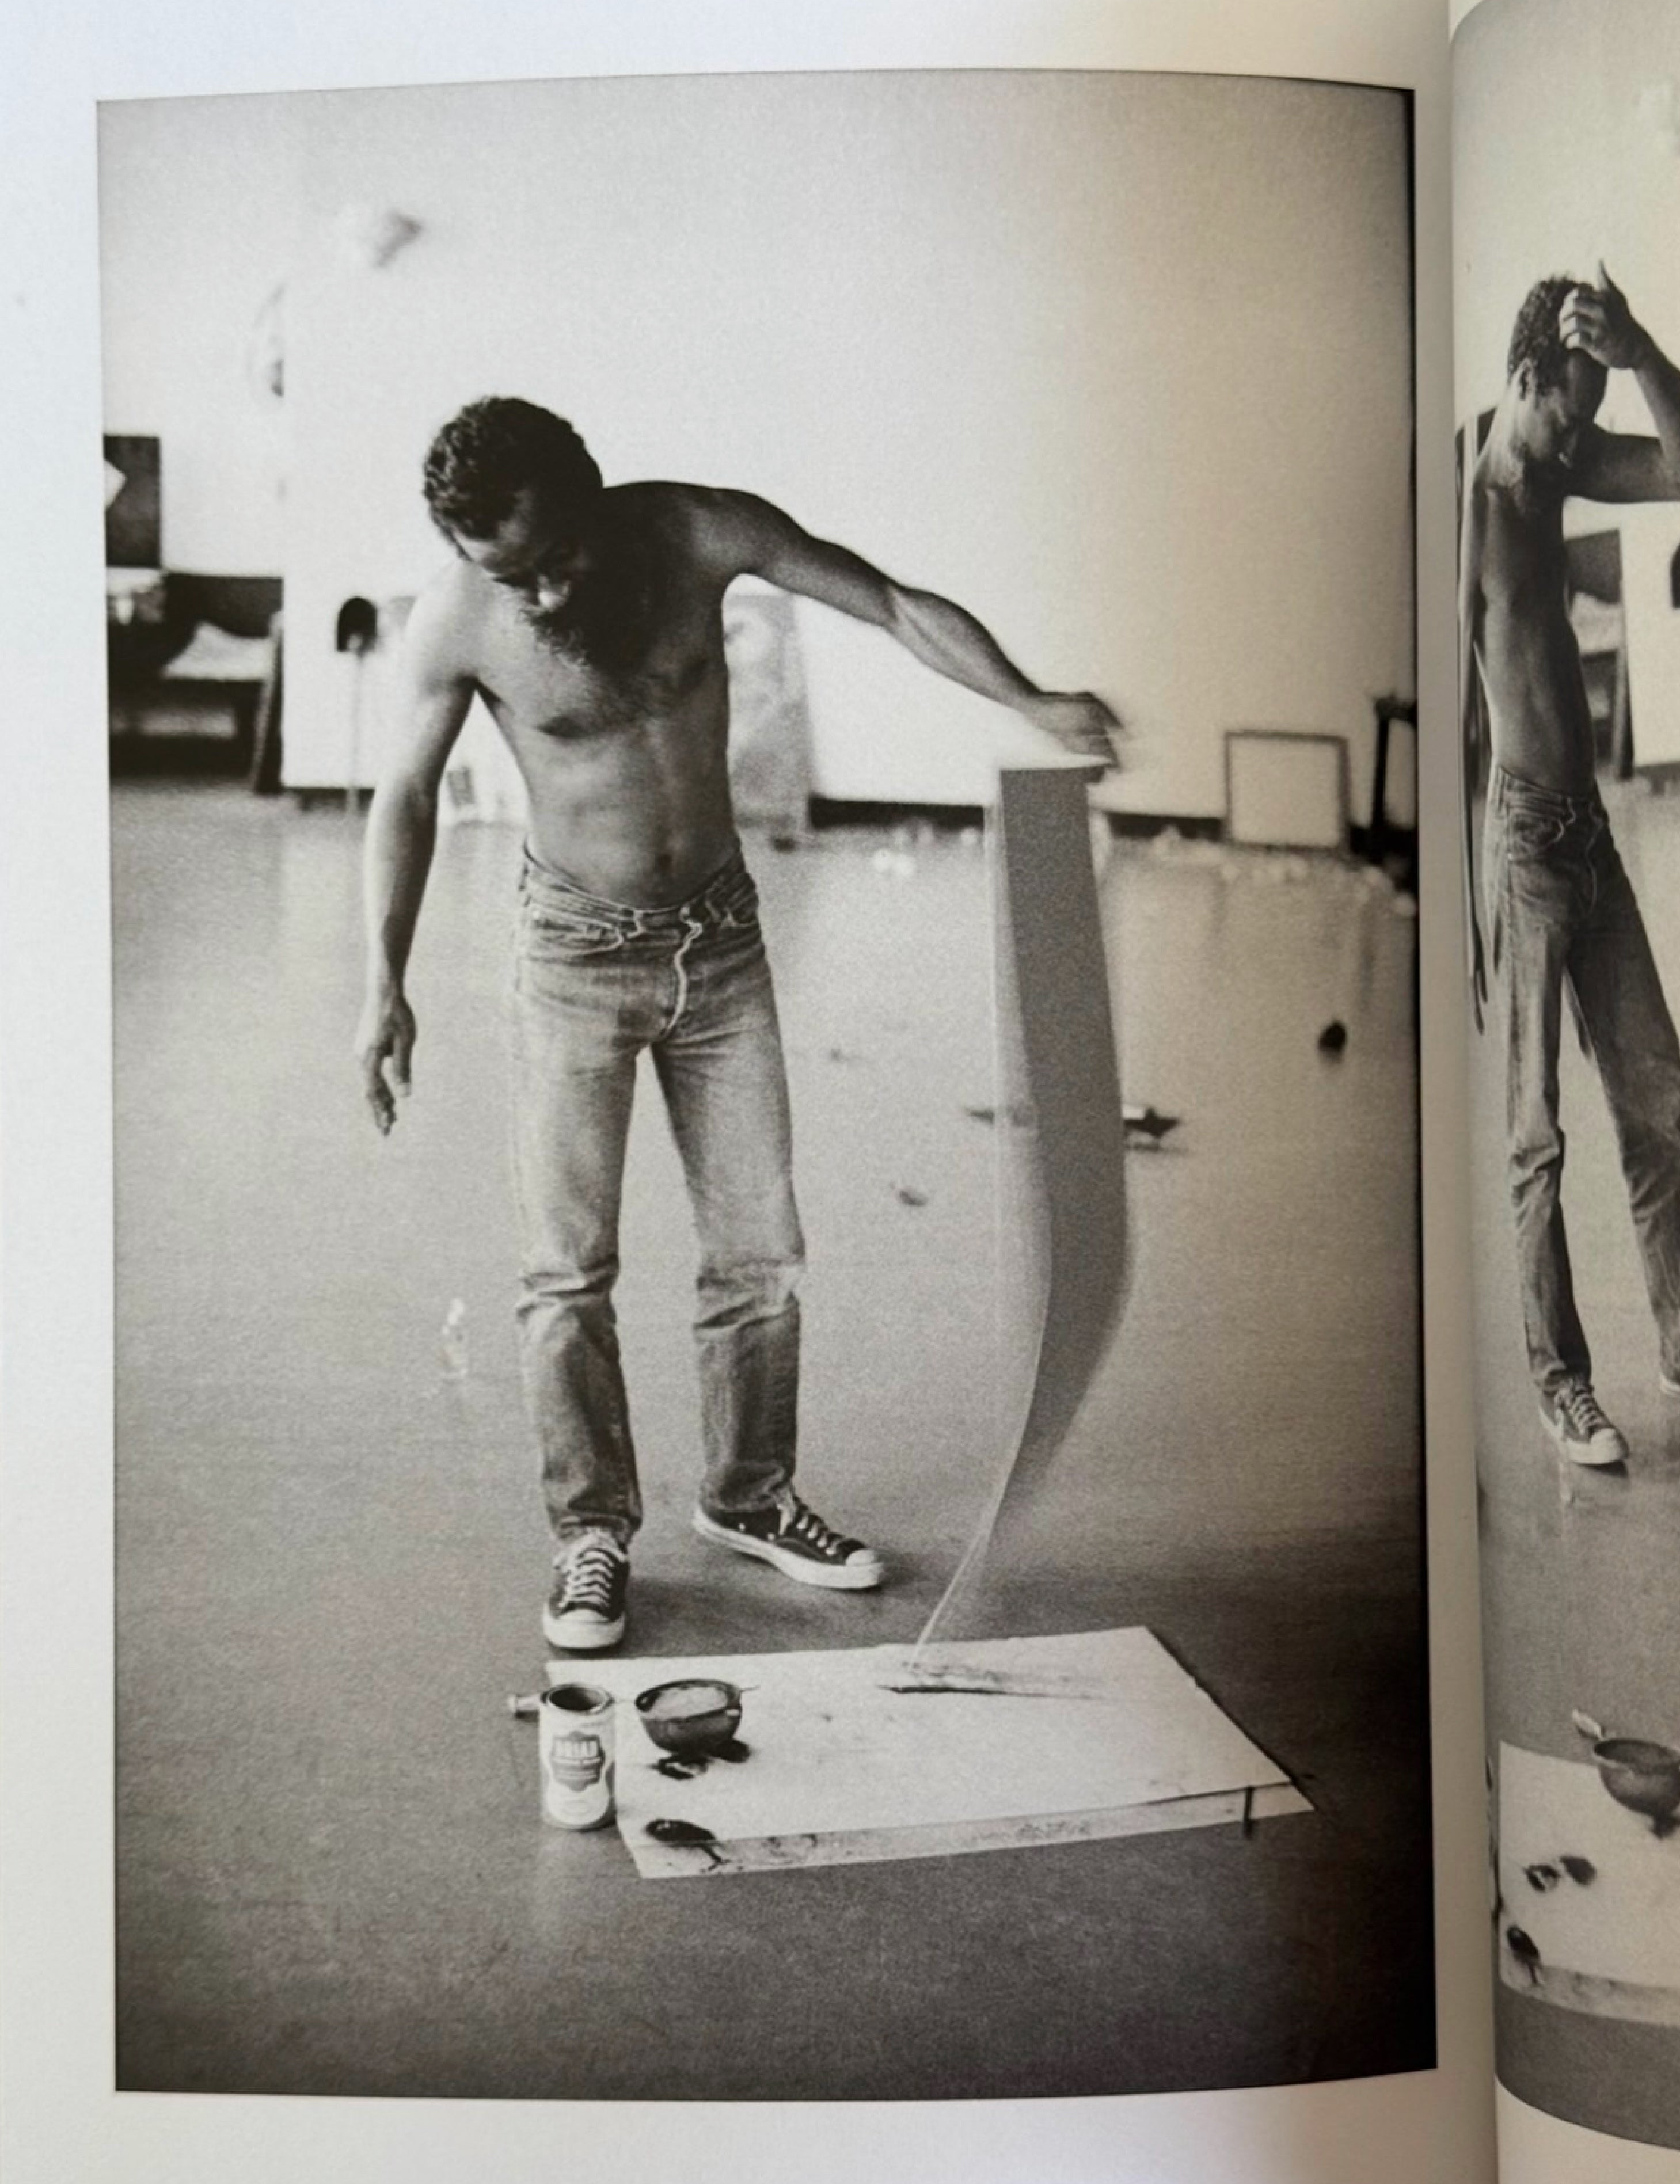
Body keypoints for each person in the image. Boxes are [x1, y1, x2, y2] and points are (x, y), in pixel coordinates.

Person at [356, 396, 1119, 1646]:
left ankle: (750, 1495)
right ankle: (591, 1534)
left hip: (720, 941)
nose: (539, 595)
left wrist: (1030, 700)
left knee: (759, 1252)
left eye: (554, 559)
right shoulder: (460, 619)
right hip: (572, 956)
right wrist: (382, 984)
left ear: (593, 498)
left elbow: (892, 604)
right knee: (565, 1270)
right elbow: (406, 793)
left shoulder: (702, 533)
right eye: (509, 575)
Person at [1459, 268, 1680, 1467]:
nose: (1580, 441)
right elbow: (1454, 711)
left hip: (1592, 833)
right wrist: (1466, 900)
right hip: (1521, 839)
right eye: (1568, 416)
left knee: (1660, 1099)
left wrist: (1640, 350)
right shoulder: (1462, 498)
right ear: (1524, 381)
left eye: (1588, 416)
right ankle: (1560, 1384)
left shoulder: (1557, 467)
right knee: (1535, 1137)